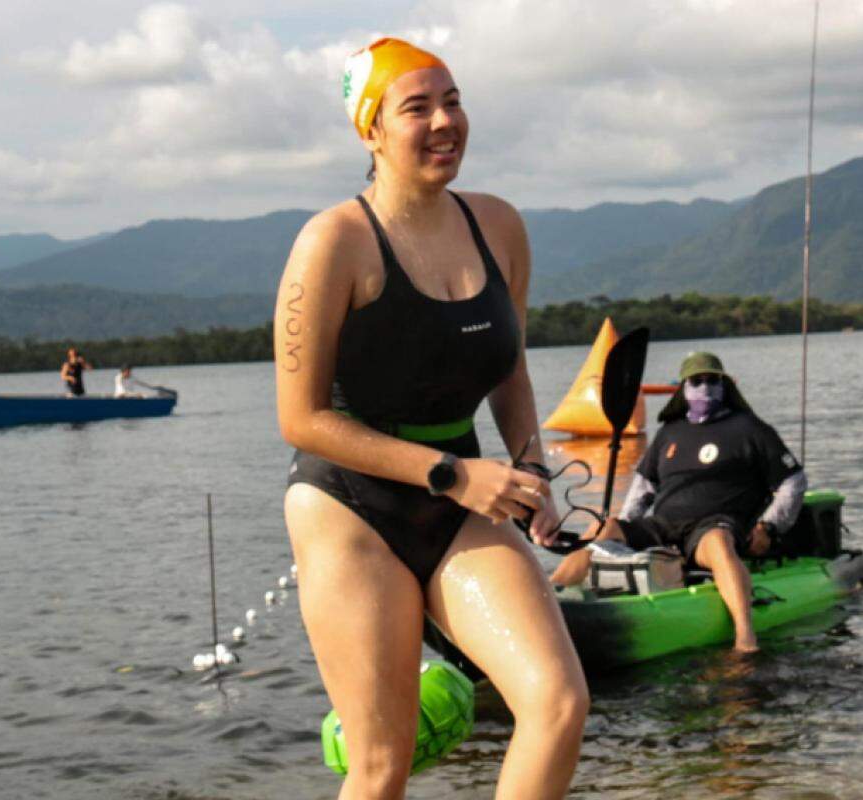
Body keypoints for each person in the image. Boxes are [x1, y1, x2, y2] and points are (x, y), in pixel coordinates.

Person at [274, 38, 586, 800]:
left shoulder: (498, 227)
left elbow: (508, 364)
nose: (445, 121)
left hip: (463, 492)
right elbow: (302, 418)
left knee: (557, 702)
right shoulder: (333, 243)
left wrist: (530, 467)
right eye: (417, 107)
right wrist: (452, 474)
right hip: (350, 504)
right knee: (384, 760)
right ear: (370, 128)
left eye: (453, 100)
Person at [550, 352, 807, 653]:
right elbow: (644, 487)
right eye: (697, 381)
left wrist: (768, 527)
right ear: (684, 388)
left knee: (719, 543)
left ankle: (745, 637)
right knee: (602, 528)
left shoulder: (750, 429)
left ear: (724, 385)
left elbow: (793, 482)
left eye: (713, 381)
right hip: (664, 526)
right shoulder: (669, 432)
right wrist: (625, 526)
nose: (705, 388)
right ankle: (549, 597)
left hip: (713, 525)